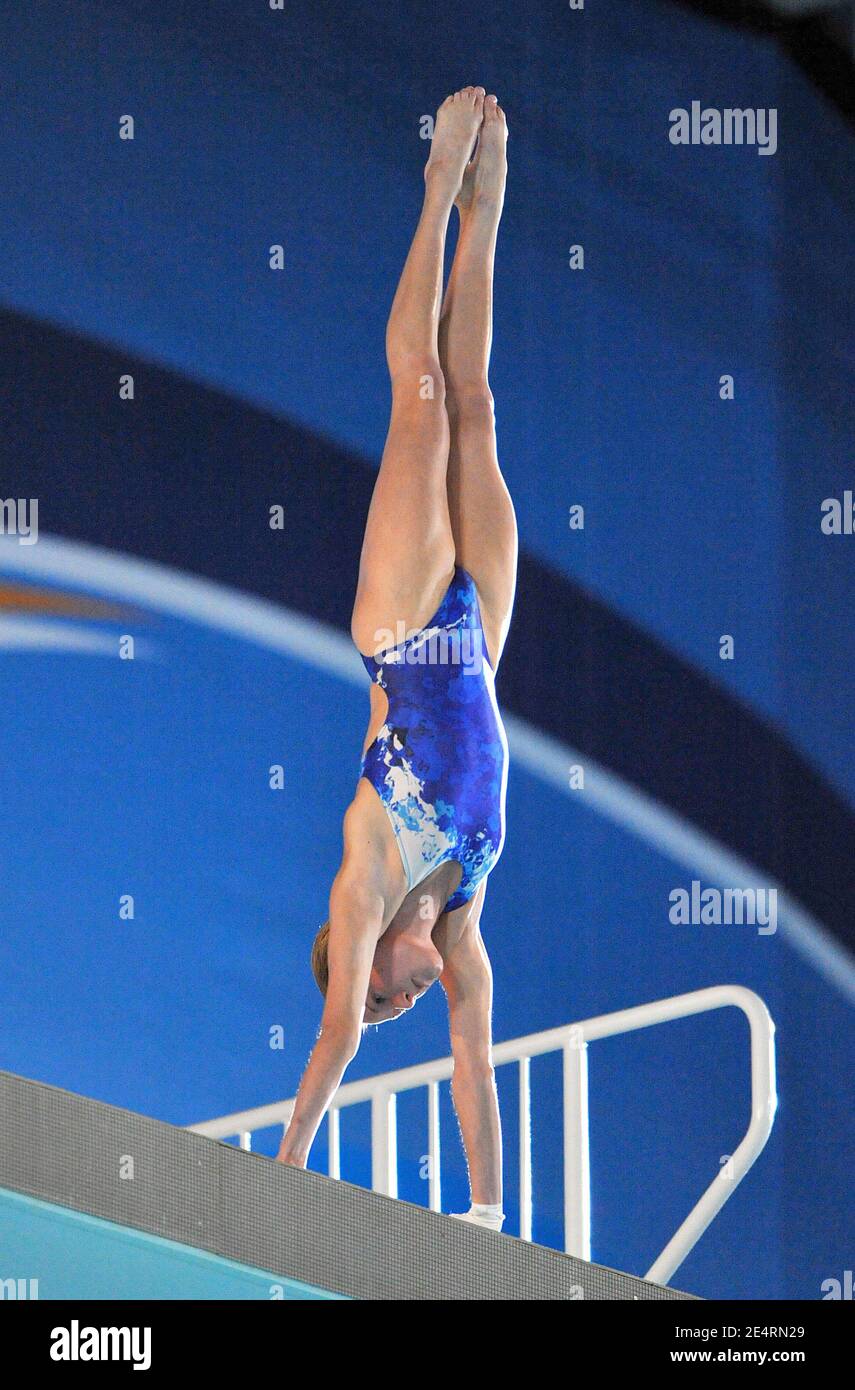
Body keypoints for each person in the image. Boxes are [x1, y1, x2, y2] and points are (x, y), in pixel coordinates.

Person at [277, 88, 517, 1233]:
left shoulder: (365, 877)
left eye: (386, 997)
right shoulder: (463, 920)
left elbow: (332, 1036)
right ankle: (490, 204)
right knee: (473, 400)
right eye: (404, 1005)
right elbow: (476, 1062)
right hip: (481, 644)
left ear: (362, 958)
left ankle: (433, 193)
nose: (409, 999)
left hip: (406, 622)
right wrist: (484, 1219)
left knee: (417, 395)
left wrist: (280, 1174)